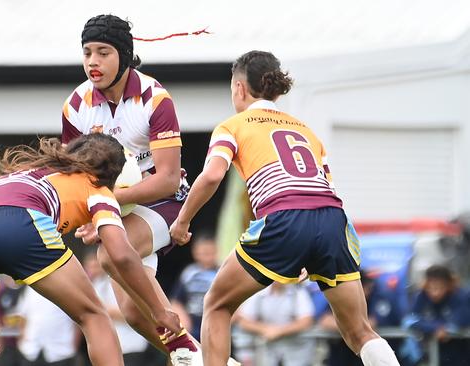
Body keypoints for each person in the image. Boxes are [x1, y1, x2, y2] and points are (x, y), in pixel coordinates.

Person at [170, 50, 401, 366]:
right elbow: (328, 189)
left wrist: (182, 222)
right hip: (333, 221)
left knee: (217, 305)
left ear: (239, 88)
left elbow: (211, 175)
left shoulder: (233, 126)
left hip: (284, 216)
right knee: (359, 331)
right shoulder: (306, 131)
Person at [0, 134, 182, 366]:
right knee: (94, 316)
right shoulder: (98, 189)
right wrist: (159, 311)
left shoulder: (33, 171)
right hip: (21, 219)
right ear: (114, 175)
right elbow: (121, 254)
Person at [62, 14, 220, 366]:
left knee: (109, 256)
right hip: (117, 210)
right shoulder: (75, 105)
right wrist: (90, 215)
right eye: (87, 52)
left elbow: (165, 178)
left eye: (103, 52)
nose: (92, 62)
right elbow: (76, 179)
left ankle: (177, 333)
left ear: (123, 53)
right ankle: (202, 359)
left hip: (165, 200)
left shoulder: (154, 97)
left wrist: (109, 203)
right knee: (133, 313)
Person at [319, 270, 405, 366]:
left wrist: (342, 324)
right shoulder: (343, 295)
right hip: (343, 356)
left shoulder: (380, 296)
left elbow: (370, 324)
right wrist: (350, 326)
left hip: (370, 358)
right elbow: (325, 321)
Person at [403, 265, 470, 366]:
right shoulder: (421, 296)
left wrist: (446, 329)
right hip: (430, 355)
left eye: (439, 287)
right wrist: (435, 327)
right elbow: (409, 321)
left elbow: (460, 321)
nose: (435, 293)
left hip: (459, 356)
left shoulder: (460, 296)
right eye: (431, 287)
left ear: (448, 285)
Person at [234, 282, 315, 366]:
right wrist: (265, 329)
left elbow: (306, 321)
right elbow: (244, 321)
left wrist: (278, 331)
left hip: (295, 351)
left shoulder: (299, 291)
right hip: (266, 351)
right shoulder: (258, 292)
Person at [170, 234, 219, 341]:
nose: (208, 256)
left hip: (216, 326)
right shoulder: (189, 273)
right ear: (195, 252)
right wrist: (184, 324)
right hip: (192, 324)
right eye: (204, 252)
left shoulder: (222, 272)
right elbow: (176, 301)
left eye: (211, 252)